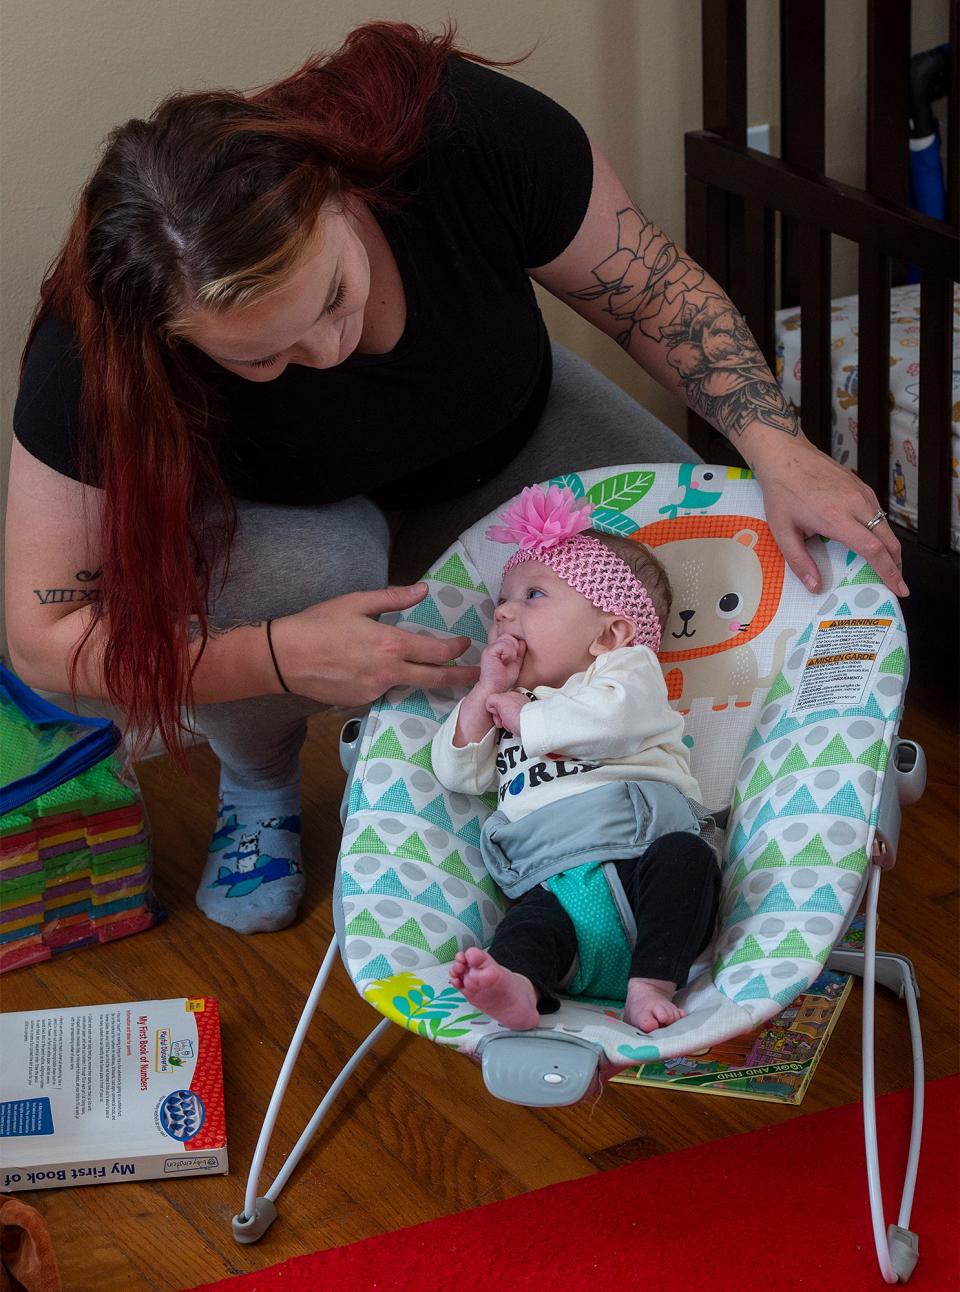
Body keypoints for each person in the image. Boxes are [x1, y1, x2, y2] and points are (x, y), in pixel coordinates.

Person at [6, 22, 905, 937]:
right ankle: (260, 773)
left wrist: (779, 446)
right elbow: (42, 639)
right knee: (296, 582)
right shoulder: (97, 350)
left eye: (333, 298)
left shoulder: (463, 132)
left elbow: (652, 293)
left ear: (338, 188)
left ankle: (707, 788)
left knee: (697, 562)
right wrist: (275, 656)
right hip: (290, 517)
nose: (327, 354)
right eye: (263, 360)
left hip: (508, 436)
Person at [434, 484, 719, 1032]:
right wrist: (485, 693)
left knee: (689, 860)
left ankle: (650, 984)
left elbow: (609, 723)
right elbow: (458, 772)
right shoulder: (513, 701)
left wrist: (524, 717)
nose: (506, 611)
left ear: (609, 633)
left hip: (642, 853)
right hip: (553, 878)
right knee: (527, 929)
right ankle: (519, 986)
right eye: (503, 602)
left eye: (535, 595)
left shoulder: (625, 674)